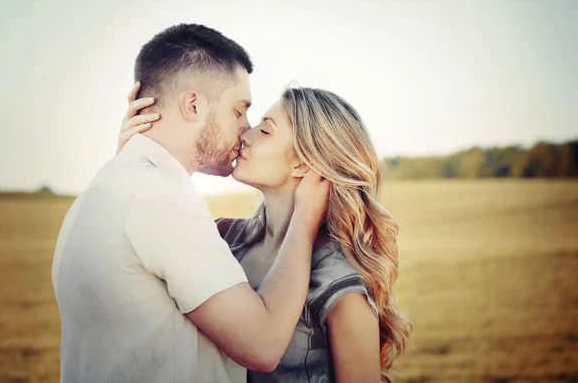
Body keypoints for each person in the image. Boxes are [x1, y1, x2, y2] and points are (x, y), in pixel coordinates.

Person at [52, 23, 330, 383]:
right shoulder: (156, 198)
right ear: (193, 104)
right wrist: (305, 219)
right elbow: (263, 345)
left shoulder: (109, 186)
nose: (244, 129)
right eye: (238, 110)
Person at [119, 84, 412, 382]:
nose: (245, 134)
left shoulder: (340, 284)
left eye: (265, 130)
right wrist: (133, 154)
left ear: (302, 163)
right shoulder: (222, 238)